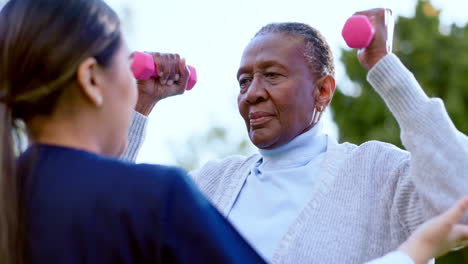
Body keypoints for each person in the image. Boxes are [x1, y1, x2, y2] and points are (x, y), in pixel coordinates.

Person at [127, 8, 468, 264]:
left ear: (323, 91)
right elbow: (100, 229)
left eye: (272, 75)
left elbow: (462, 206)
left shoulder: (378, 172)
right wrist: (136, 104)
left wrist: (384, 66)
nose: (251, 94)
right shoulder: (208, 186)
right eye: (244, 81)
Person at [0, 0, 266, 263]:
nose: (132, 87)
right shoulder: (157, 199)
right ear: (91, 78)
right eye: (127, 66)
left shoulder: (10, 195)